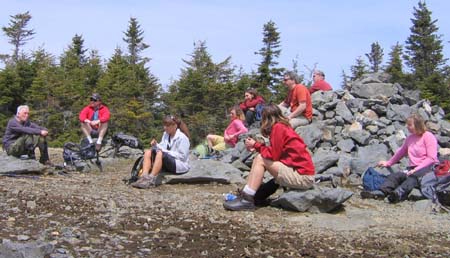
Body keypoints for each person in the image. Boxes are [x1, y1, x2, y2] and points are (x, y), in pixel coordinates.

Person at [223, 104, 315, 211]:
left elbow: (273, 156)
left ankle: (247, 199)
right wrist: (258, 147)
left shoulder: (278, 128)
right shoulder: (282, 127)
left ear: (266, 118)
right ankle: (247, 195)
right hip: (301, 173)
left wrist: (256, 145)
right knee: (260, 158)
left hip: (303, 177)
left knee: (261, 159)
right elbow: (277, 153)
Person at [361, 113, 439, 203]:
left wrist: (416, 169)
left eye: (410, 125)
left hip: (428, 168)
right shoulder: (410, 138)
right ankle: (381, 192)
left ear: (417, 125)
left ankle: (397, 194)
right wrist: (388, 163)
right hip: (412, 168)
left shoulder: (428, 137)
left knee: (413, 178)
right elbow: (401, 152)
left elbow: (431, 158)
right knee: (396, 176)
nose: (407, 127)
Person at [131, 115, 191, 189]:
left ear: (175, 126)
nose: (165, 128)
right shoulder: (165, 134)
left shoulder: (182, 138)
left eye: (168, 126)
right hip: (167, 160)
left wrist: (165, 152)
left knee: (160, 154)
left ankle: (150, 179)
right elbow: (162, 147)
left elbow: (182, 156)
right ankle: (143, 176)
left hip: (179, 164)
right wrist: (156, 145)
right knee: (148, 152)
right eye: (164, 125)